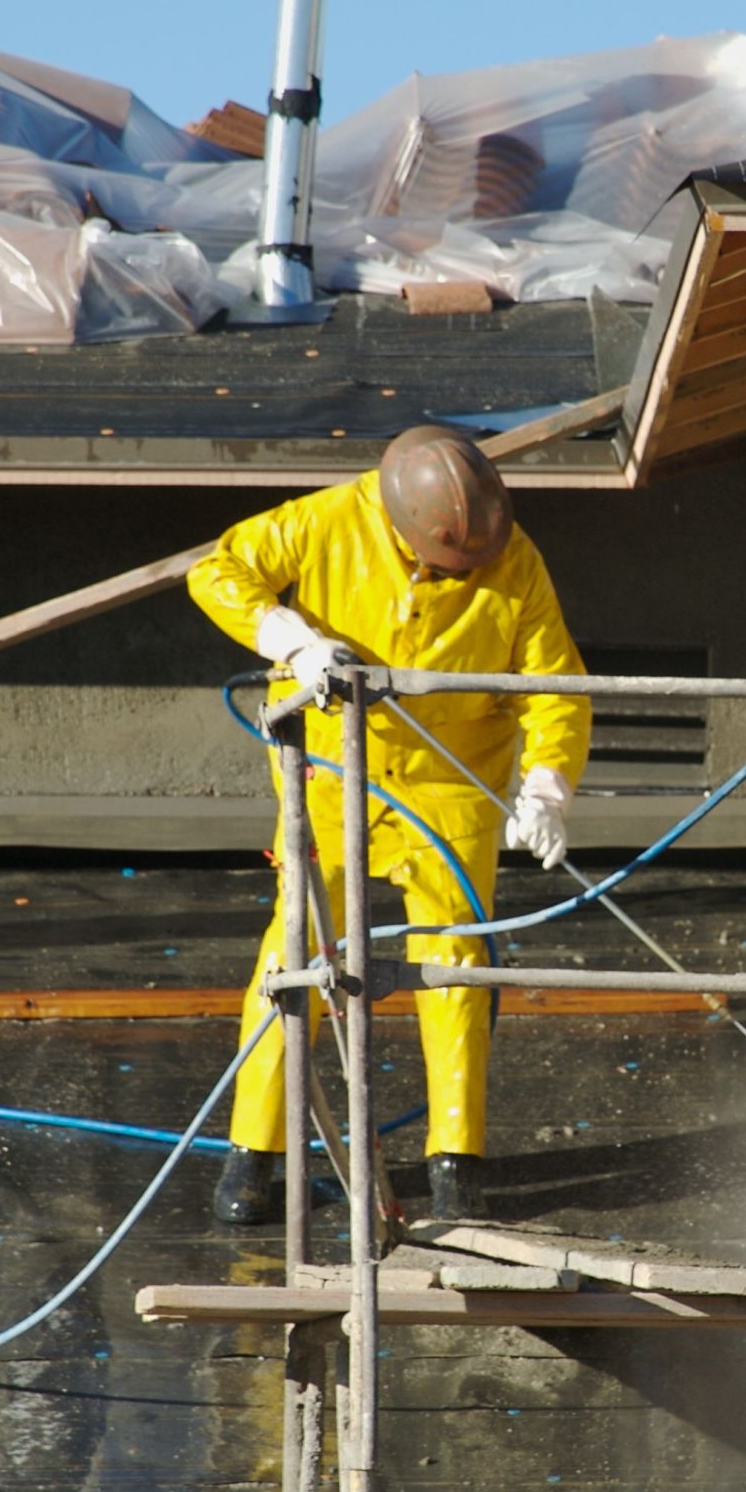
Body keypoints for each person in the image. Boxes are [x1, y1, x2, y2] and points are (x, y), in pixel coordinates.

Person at [188, 426, 591, 1224]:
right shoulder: (327, 522)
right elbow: (217, 569)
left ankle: (456, 1164)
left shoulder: (516, 562)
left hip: (452, 782)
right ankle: (254, 1154)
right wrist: (294, 643)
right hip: (334, 776)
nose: (464, 576)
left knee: (456, 966)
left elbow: (554, 686)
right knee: (294, 954)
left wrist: (546, 788)